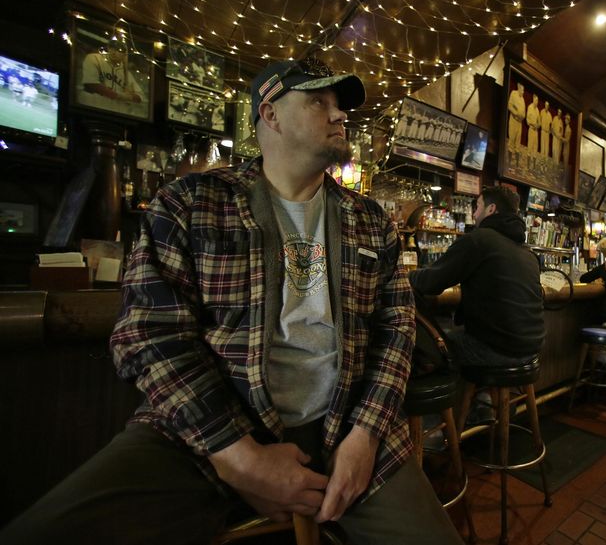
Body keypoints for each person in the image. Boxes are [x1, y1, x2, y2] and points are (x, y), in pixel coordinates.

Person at [1, 57, 463, 545]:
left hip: (346, 424)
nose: (339, 115)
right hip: (206, 429)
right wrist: (237, 454)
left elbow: (396, 331)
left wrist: (367, 435)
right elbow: (147, 333)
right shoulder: (193, 203)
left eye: (340, 106)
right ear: (271, 114)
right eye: (319, 101)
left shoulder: (370, 221)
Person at [408, 185, 544, 367]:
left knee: (416, 341)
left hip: (495, 351)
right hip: (532, 350)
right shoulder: (527, 252)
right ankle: (485, 394)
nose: (473, 214)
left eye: (477, 206)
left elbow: (431, 282)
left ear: (491, 209)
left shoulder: (479, 239)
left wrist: (405, 275)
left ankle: (446, 393)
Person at [79, 39, 144, 110]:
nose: (113, 52)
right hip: (91, 106)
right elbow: (91, 84)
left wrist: (130, 96)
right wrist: (119, 96)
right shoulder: (94, 58)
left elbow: (140, 97)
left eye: (118, 50)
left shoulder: (127, 74)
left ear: (124, 55)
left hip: (113, 113)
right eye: (111, 48)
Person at [507, 83, 525, 149]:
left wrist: (522, 117)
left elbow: (524, 113)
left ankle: (515, 157)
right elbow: (509, 105)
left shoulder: (523, 99)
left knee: (518, 140)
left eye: (523, 90)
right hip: (513, 120)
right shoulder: (513, 93)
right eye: (522, 90)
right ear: (519, 89)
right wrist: (516, 113)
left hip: (519, 122)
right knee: (512, 137)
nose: (523, 92)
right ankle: (508, 155)